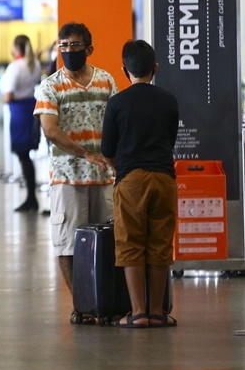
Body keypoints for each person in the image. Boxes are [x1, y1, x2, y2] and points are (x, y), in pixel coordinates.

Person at [32, 22, 117, 315]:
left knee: (109, 243)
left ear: (89, 49)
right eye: (63, 46)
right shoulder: (50, 86)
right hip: (67, 177)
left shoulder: (106, 81)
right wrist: (85, 154)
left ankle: (107, 300)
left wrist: (111, 159)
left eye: (75, 46)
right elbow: (50, 130)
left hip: (104, 177)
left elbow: (117, 123)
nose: (68, 51)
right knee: (68, 244)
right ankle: (82, 305)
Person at [101, 40, 179, 328]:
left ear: (124, 70)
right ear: (155, 68)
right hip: (164, 178)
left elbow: (107, 148)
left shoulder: (117, 102)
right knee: (160, 244)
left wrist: (120, 166)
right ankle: (158, 312)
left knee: (131, 243)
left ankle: (138, 314)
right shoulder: (169, 99)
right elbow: (169, 141)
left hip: (131, 179)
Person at [0, 35, 42, 212]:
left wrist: (3, 98)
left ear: (16, 48)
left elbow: (8, 95)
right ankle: (31, 196)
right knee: (26, 155)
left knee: (23, 155)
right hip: (30, 107)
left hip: (18, 111)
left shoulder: (15, 67)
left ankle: (31, 197)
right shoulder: (35, 64)